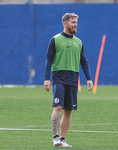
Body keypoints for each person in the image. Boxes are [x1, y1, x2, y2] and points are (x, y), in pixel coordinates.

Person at [44, 13, 93, 147]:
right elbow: (48, 60)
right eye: (73, 22)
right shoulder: (55, 39)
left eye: (76, 22)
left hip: (73, 79)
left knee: (68, 110)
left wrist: (88, 78)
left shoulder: (79, 42)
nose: (75, 24)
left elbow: (84, 61)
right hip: (59, 77)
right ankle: (55, 138)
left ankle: (62, 139)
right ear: (65, 23)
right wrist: (47, 78)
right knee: (58, 107)